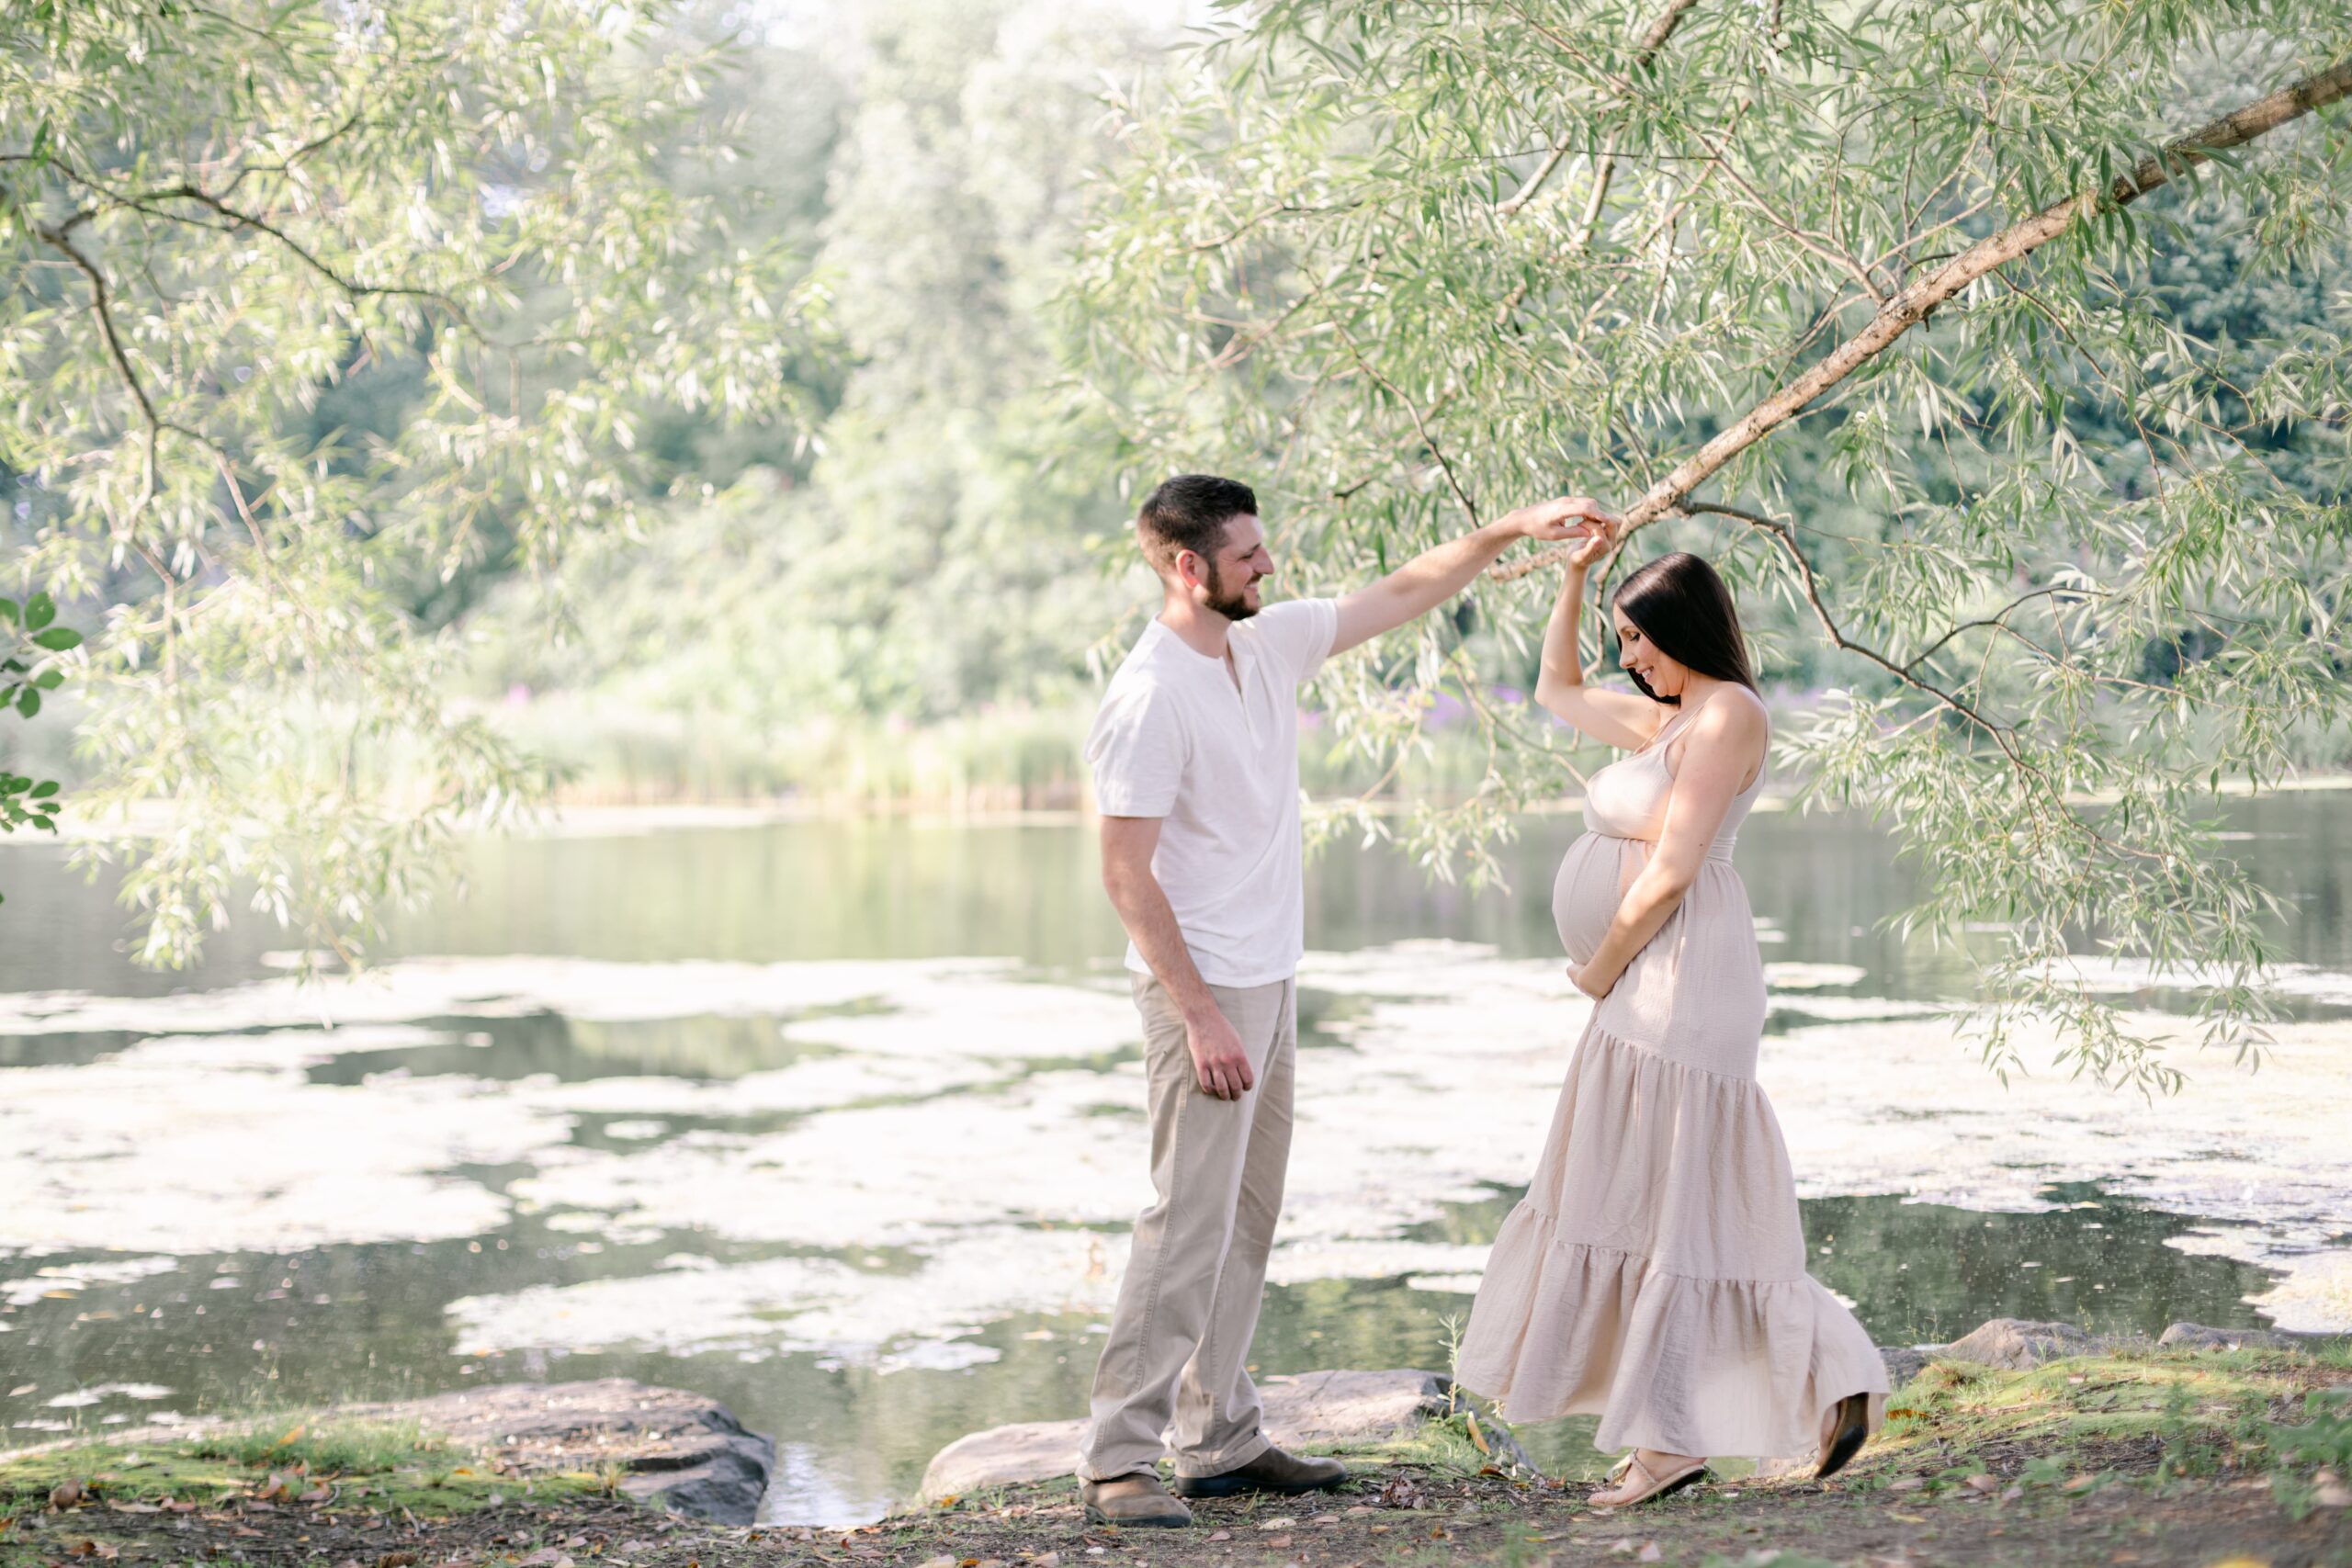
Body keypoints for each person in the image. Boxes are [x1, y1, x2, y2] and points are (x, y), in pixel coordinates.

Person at [1076, 474, 1613, 1528]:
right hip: (1207, 990)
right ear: (1188, 568)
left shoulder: (1262, 646)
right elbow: (1125, 876)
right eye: (1246, 557)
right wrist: (1197, 1012)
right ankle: (1114, 1461)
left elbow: (1405, 591)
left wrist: (1512, 525)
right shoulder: (1147, 696)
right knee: (1184, 1225)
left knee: (1244, 1220)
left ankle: (1218, 1438)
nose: (1266, 567)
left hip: (1266, 973)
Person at [1453, 524, 1889, 1507]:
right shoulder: (1671, 717)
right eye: (1620, 637)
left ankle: (1675, 1441)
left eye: (1638, 638)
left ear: (1683, 626)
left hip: (1676, 972)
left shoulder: (1726, 714)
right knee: (1642, 1193)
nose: (1627, 657)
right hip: (1650, 976)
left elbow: (1675, 865)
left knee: (1673, 1199)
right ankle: (1813, 1386)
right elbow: (1555, 693)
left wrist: (1597, 968)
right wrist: (1570, 578)